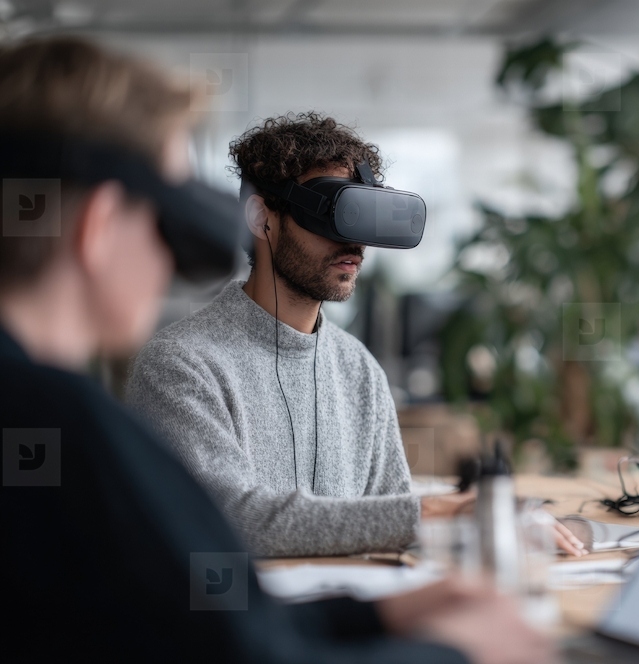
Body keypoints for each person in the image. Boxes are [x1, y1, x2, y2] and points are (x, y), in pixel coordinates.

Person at [0, 36, 552, 663]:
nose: (356, 249)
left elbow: (194, 611)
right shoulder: (87, 405)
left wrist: (374, 610)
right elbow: (228, 611)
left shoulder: (359, 372)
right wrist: (457, 650)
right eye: (166, 217)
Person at [125, 113, 585, 558]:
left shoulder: (359, 369)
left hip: (355, 616)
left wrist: (494, 522)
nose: (354, 244)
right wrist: (430, 512)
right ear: (261, 217)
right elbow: (225, 519)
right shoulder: (180, 366)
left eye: (363, 216)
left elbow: (389, 517)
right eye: (334, 213)